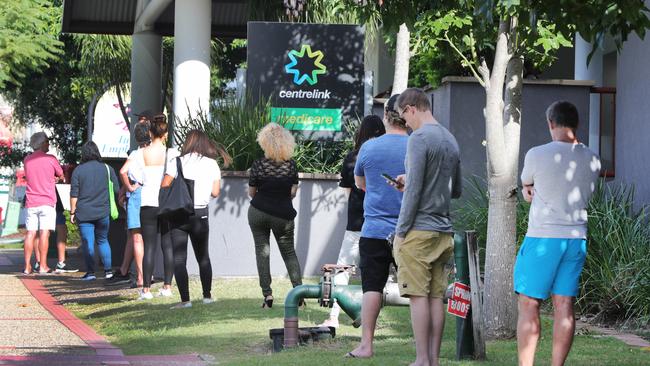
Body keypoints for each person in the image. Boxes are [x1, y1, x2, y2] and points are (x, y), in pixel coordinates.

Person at [514, 101, 600, 366]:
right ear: (576, 124)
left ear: (551, 123)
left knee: (529, 302)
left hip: (543, 236)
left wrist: (529, 190)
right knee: (564, 304)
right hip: (576, 239)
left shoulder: (537, 154)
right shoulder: (592, 158)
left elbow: (527, 183)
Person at [392, 88, 462, 366]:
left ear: (410, 108)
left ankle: (421, 359)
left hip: (418, 229)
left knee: (418, 297)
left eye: (403, 117)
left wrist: (400, 231)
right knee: (435, 297)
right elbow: (455, 189)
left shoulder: (419, 139)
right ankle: (433, 360)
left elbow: (414, 191)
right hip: (444, 231)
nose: (404, 123)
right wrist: (411, 180)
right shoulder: (450, 139)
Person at [346, 94, 408, 359]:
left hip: (374, 230)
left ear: (386, 117)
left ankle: (366, 345)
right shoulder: (417, 146)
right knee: (417, 292)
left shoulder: (368, 149)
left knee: (371, 287)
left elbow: (360, 184)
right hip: (409, 231)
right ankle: (425, 351)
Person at [318, 115, 385, 328]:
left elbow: (348, 192)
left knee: (343, 268)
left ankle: (334, 316)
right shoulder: (384, 156)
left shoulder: (352, 157)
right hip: (383, 222)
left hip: (356, 221)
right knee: (378, 272)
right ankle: (369, 316)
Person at [162, 130, 232, 309]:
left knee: (179, 258)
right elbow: (215, 193)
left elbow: (165, 185)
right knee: (203, 256)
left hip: (179, 214)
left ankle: (185, 300)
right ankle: (207, 296)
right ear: (204, 143)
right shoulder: (211, 164)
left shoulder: (176, 161)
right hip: (201, 214)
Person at [248, 123, 303, 308]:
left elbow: (251, 192)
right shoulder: (291, 166)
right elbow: (293, 192)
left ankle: (267, 295)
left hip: (258, 212)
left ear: (264, 142)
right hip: (283, 215)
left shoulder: (258, 165)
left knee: (262, 252)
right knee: (289, 253)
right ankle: (299, 294)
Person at [130, 114, 174, 300]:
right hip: (166, 202)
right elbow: (173, 176)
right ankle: (167, 286)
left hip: (147, 201)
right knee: (167, 244)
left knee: (149, 247)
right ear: (165, 134)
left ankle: (146, 289)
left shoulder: (140, 153)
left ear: (150, 132)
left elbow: (136, 177)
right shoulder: (171, 153)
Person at [70, 141, 119, 281]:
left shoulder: (78, 170)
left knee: (88, 243)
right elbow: (116, 189)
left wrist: (72, 212)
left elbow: (74, 194)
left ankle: (91, 273)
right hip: (103, 212)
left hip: (84, 213)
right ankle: (108, 271)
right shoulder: (107, 168)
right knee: (103, 240)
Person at [112, 118, 151, 288]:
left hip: (136, 195)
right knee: (150, 237)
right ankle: (149, 275)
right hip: (151, 193)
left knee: (136, 237)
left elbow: (122, 171)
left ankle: (141, 276)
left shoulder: (135, 154)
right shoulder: (154, 153)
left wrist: (128, 187)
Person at [22, 132, 64, 275]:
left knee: (30, 233)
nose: (48, 143)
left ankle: (27, 267)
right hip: (47, 200)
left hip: (31, 201)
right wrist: (56, 178)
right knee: (44, 233)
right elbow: (61, 175)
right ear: (42, 143)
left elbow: (30, 176)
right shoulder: (51, 159)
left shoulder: (27, 160)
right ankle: (43, 266)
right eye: (47, 141)